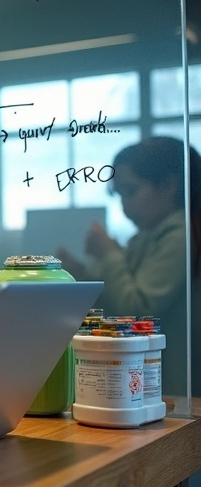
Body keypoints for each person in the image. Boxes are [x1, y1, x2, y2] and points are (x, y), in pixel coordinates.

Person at [56, 136, 201, 396]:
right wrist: (81, 272)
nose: (124, 204)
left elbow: (136, 309)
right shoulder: (150, 235)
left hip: (175, 389)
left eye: (131, 191)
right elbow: (117, 295)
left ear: (169, 185)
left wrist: (110, 254)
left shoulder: (180, 235)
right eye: (119, 194)